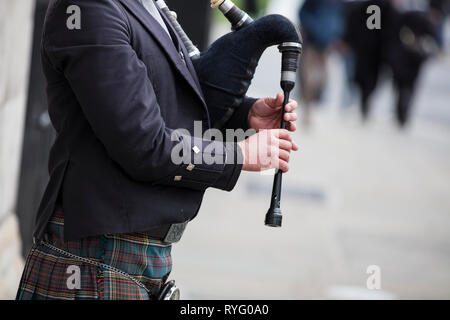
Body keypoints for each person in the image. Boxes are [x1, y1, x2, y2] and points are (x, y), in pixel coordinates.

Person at [16, 0, 299, 300]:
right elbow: (144, 145)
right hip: (95, 259)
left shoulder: (142, 5)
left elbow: (163, 99)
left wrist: (245, 116)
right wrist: (240, 155)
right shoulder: (89, 8)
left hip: (130, 258)